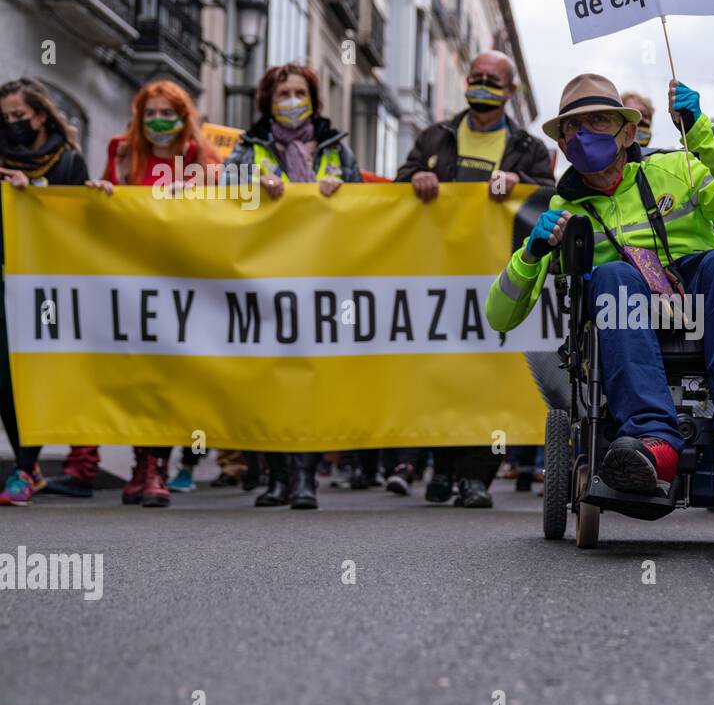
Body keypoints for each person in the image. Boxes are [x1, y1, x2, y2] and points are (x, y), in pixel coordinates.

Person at [487, 74, 714, 499]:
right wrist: (530, 254)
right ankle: (654, 442)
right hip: (625, 308)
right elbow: (500, 316)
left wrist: (699, 132)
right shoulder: (562, 209)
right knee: (610, 274)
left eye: (599, 121)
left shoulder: (676, 169)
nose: (583, 133)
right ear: (562, 143)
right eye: (573, 127)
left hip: (698, 296)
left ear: (628, 133)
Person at [395, 50, 555, 508]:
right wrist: (417, 179)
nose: (482, 83)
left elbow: (547, 195)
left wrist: (518, 179)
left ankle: (476, 476)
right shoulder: (435, 136)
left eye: (493, 79)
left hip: (497, 280)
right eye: (476, 76)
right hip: (441, 277)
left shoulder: (528, 148)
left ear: (510, 91)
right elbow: (397, 187)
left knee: (489, 375)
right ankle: (442, 469)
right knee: (444, 372)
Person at [223, 63, 362, 509]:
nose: (291, 99)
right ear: (268, 100)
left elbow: (364, 203)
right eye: (283, 92)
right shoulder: (248, 147)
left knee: (308, 378)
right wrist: (250, 183)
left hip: (320, 279)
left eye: (299, 91)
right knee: (266, 377)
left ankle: (305, 477)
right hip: (263, 279)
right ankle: (276, 477)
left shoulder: (337, 148)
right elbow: (221, 195)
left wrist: (341, 191)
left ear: (313, 99)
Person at [82, 80, 222, 508]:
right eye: (152, 112)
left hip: (183, 281)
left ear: (184, 116)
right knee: (138, 374)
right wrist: (105, 192)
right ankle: (142, 463)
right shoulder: (121, 152)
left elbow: (225, 207)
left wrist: (197, 193)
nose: (160, 120)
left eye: (168, 112)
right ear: (139, 116)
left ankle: (158, 465)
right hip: (132, 278)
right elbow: (109, 209)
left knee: (170, 376)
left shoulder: (199, 158)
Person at [0, 78, 91, 505]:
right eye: (5, 118)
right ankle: (28, 465)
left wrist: (33, 196)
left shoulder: (69, 161)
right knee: (5, 378)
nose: (12, 124)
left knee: (31, 375)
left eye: (18, 116)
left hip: (47, 285)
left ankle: (23, 468)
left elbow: (76, 222)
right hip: (5, 277)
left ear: (39, 114)